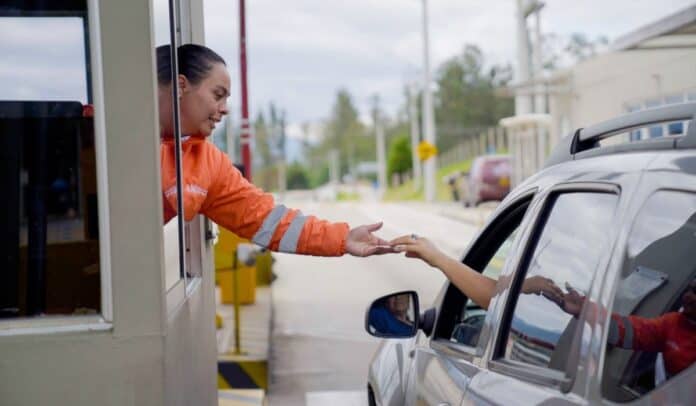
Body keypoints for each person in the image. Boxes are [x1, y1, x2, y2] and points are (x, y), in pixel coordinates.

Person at [157, 44, 392, 257]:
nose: (225, 109)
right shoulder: (128, 137)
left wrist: (343, 238)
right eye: (218, 96)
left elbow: (265, 219)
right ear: (181, 86)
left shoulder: (206, 162)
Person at [561, 279, 696, 377]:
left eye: (695, 292)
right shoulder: (673, 323)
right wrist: (585, 309)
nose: (688, 296)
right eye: (689, 289)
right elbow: (633, 331)